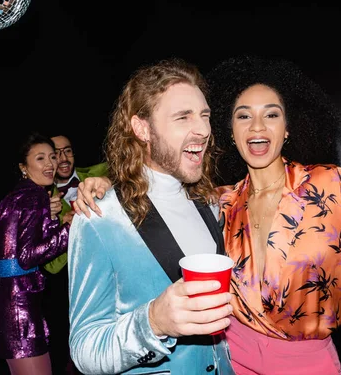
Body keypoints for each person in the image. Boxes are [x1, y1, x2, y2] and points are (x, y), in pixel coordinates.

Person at [74, 55, 341, 374]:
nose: (257, 126)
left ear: (287, 130)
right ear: (231, 134)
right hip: (234, 359)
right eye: (243, 116)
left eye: (272, 114)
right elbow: (156, 188)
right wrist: (109, 182)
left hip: (308, 363)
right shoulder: (220, 202)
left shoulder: (332, 187)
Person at [67, 57, 236, 375]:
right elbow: (85, 351)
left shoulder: (209, 204)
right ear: (142, 128)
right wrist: (153, 323)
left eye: (204, 116)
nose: (202, 130)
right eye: (183, 117)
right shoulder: (100, 218)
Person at [0, 131, 73, 375]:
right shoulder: (34, 196)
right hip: (19, 306)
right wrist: (69, 229)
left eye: (52, 157)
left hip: (2, 299)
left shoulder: (15, 196)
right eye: (40, 159)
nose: (51, 165)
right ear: (24, 167)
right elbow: (26, 257)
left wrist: (52, 220)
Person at [42, 134, 108, 375]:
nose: (62, 158)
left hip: (106, 275)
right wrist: (64, 228)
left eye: (67, 151)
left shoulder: (99, 171)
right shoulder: (41, 198)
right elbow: (50, 266)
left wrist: (105, 182)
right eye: (55, 153)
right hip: (65, 285)